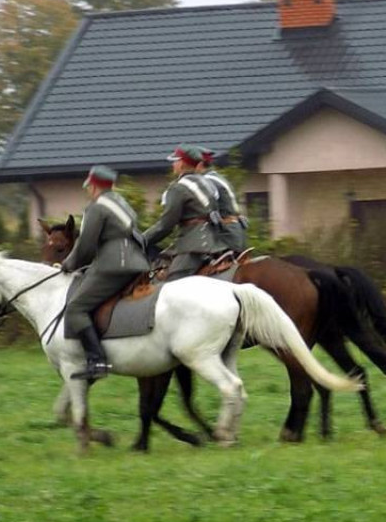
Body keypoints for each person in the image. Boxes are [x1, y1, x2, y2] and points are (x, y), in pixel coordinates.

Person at [60, 165, 151, 380]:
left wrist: (68, 264)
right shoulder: (123, 204)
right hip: (138, 263)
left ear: (93, 187)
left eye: (89, 187)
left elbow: (86, 247)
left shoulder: (96, 207)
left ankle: (97, 361)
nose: (88, 191)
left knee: (75, 309)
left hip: (114, 266)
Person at [144, 145, 230, 280]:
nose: (173, 164)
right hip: (216, 241)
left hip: (194, 245)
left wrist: (142, 239)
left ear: (182, 163)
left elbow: (165, 225)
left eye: (175, 161)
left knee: (172, 284)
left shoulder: (178, 188)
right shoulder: (208, 183)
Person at [197, 148, 249, 253]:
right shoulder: (218, 177)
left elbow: (207, 209)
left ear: (199, 164)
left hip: (226, 234)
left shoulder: (207, 181)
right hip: (237, 229)